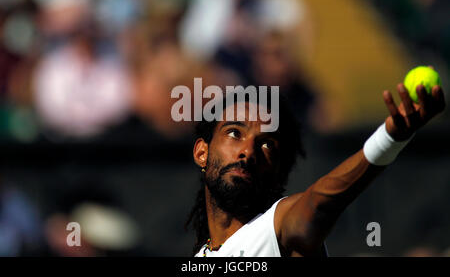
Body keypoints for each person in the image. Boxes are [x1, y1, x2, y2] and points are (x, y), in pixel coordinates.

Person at [185, 82, 445, 257]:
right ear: (201, 152)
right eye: (234, 133)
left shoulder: (278, 227)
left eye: (266, 144)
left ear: (276, 168)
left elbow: (319, 203)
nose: (248, 151)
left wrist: (388, 139)